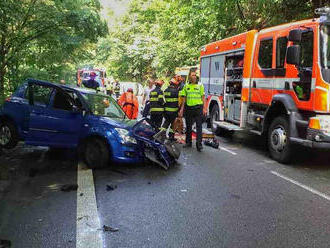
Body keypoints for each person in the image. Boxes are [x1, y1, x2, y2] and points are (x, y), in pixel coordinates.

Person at [179, 71, 207, 152]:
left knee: (199, 127)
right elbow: (184, 98)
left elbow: (203, 97)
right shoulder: (186, 86)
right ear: (190, 77)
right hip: (189, 108)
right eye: (192, 75)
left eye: (195, 75)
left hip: (198, 108)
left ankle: (199, 144)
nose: (194, 76)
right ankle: (188, 142)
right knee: (188, 126)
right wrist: (181, 109)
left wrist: (205, 108)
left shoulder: (200, 85)